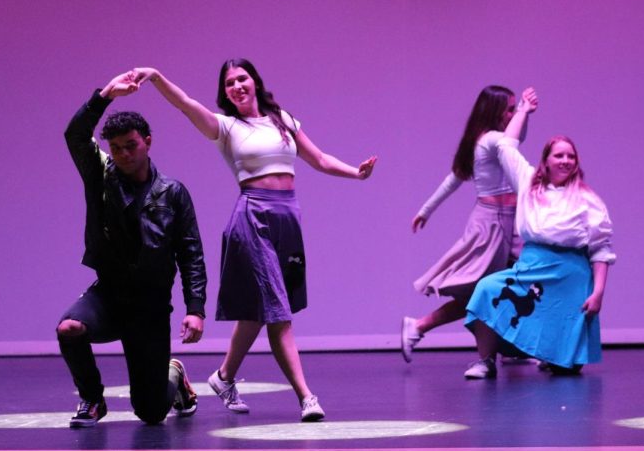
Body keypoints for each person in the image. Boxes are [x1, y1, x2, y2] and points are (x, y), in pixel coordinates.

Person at [134, 59, 376, 422]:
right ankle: (307, 397)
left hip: (287, 218)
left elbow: (320, 158)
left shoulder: (283, 120)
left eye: (242, 78)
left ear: (255, 81)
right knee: (278, 313)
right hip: (253, 218)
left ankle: (223, 377)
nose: (237, 86)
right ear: (225, 92)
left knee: (257, 312)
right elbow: (185, 103)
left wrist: (355, 174)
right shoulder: (226, 127)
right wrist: (154, 77)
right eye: (229, 83)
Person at [59, 71, 207, 428]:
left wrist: (195, 308)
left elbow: (191, 253)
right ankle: (93, 399)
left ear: (148, 142)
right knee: (69, 327)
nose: (124, 154)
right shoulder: (101, 175)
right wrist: (106, 94)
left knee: (152, 412)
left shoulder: (173, 192)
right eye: (116, 148)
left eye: (131, 145)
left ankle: (174, 375)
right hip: (110, 295)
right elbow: (75, 135)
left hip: (150, 307)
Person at [463, 96, 614, 379]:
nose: (566, 161)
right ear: (545, 160)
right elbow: (506, 147)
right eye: (559, 155)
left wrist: (598, 292)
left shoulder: (587, 199)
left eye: (571, 156)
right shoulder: (529, 183)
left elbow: (600, 249)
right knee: (486, 290)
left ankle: (553, 355)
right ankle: (485, 360)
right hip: (532, 266)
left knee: (565, 369)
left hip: (571, 274)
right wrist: (522, 111)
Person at [402, 86, 536, 362]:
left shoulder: (486, 140)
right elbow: (511, 141)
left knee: (510, 288)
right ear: (495, 112)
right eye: (508, 109)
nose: (512, 115)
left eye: (513, 109)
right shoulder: (490, 140)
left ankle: (510, 348)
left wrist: (426, 211)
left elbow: (515, 138)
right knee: (482, 293)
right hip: (492, 224)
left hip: (508, 222)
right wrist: (523, 111)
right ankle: (419, 326)